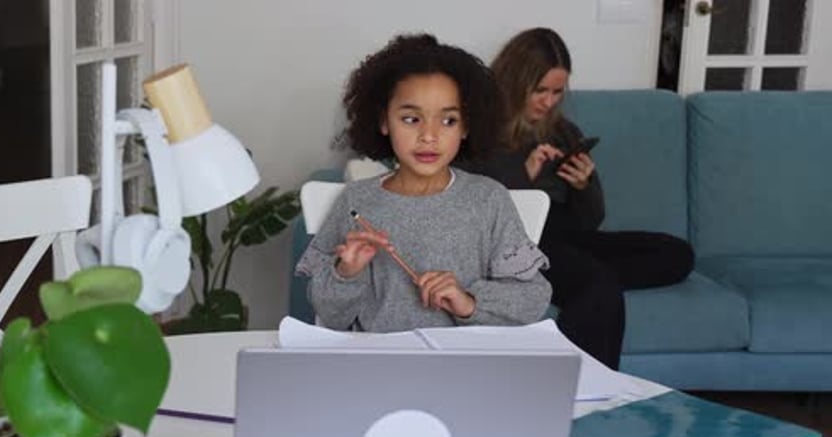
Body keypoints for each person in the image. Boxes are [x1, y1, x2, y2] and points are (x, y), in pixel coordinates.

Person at [466, 27, 693, 369]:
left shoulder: (564, 131)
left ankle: (578, 276)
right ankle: (579, 381)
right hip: (524, 244)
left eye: (557, 92)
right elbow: (477, 213)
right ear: (514, 84)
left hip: (569, 237)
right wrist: (524, 175)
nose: (549, 102)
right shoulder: (480, 133)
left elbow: (590, 222)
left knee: (676, 253)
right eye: (540, 90)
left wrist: (583, 186)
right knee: (597, 286)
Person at [295, 34, 551, 333]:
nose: (429, 136)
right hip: (378, 358)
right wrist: (347, 272)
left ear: (467, 126)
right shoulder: (357, 201)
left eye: (448, 120)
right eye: (411, 119)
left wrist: (468, 302)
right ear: (384, 121)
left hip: (462, 359)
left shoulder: (488, 200)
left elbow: (533, 297)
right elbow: (330, 316)